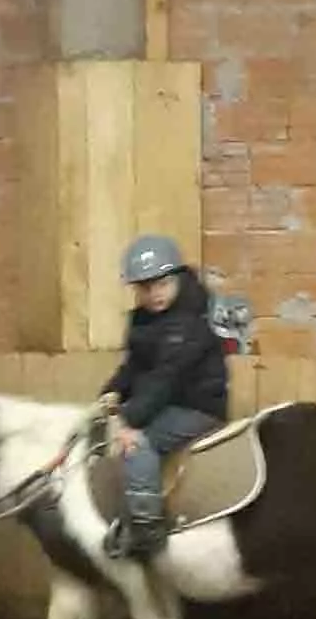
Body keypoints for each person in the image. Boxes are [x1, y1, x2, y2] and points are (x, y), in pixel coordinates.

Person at [97, 234, 231, 558]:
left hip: (197, 406)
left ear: (177, 280)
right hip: (167, 402)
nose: (154, 293)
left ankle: (147, 527)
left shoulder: (187, 323)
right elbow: (135, 366)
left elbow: (164, 379)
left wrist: (129, 420)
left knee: (139, 443)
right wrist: (112, 392)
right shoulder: (147, 321)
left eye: (162, 284)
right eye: (144, 287)